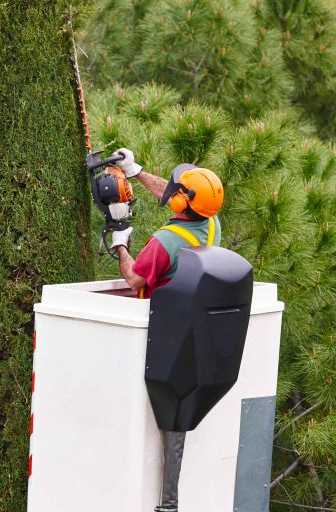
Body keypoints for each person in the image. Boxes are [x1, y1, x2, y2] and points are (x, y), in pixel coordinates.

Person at [109, 147, 224, 512]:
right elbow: (172, 194)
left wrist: (121, 242)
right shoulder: (210, 223)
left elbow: (134, 278)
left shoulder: (164, 243)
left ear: (180, 203)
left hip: (154, 330)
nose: (170, 188)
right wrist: (136, 171)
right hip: (191, 328)